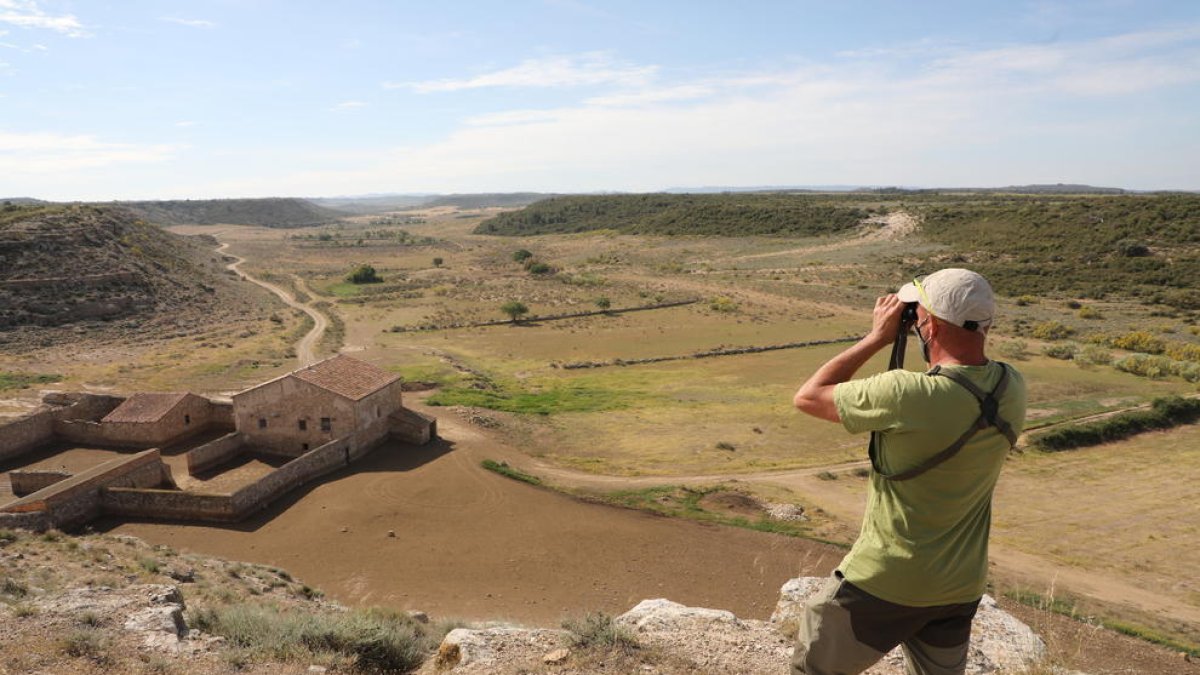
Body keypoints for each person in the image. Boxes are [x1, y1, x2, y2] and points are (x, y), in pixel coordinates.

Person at [790, 268, 1027, 675]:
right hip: (960, 585)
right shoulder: (1012, 386)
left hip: (884, 580)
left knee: (812, 668)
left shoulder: (906, 393)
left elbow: (808, 397)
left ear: (929, 325)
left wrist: (877, 337)